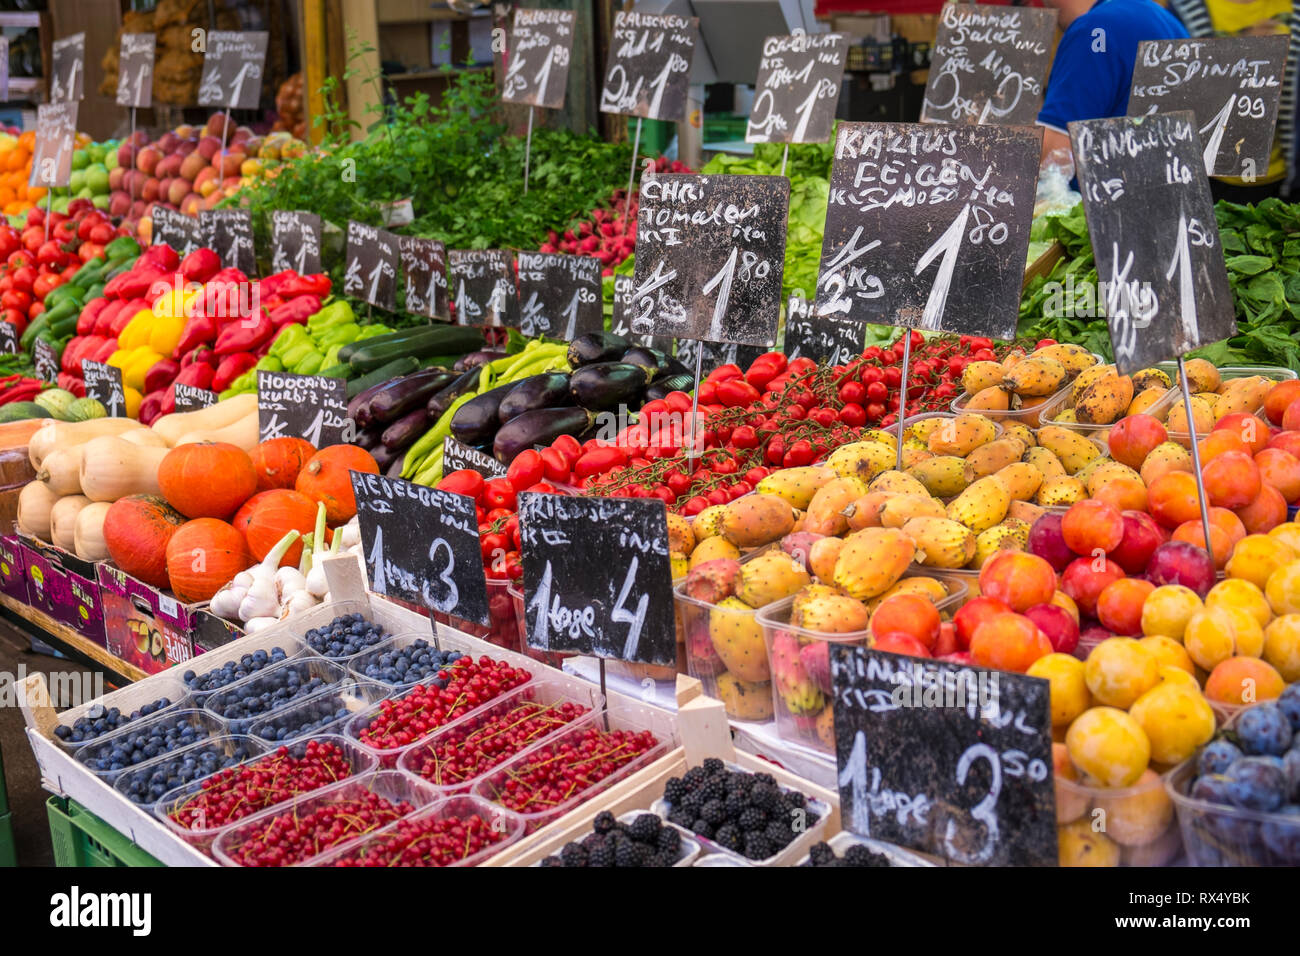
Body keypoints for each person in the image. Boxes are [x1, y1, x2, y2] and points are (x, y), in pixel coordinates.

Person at [1037, 0, 1190, 162]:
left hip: (1110, 183)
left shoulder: (1093, 29)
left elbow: (1055, 153)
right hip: (1168, 176)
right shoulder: (1163, 18)